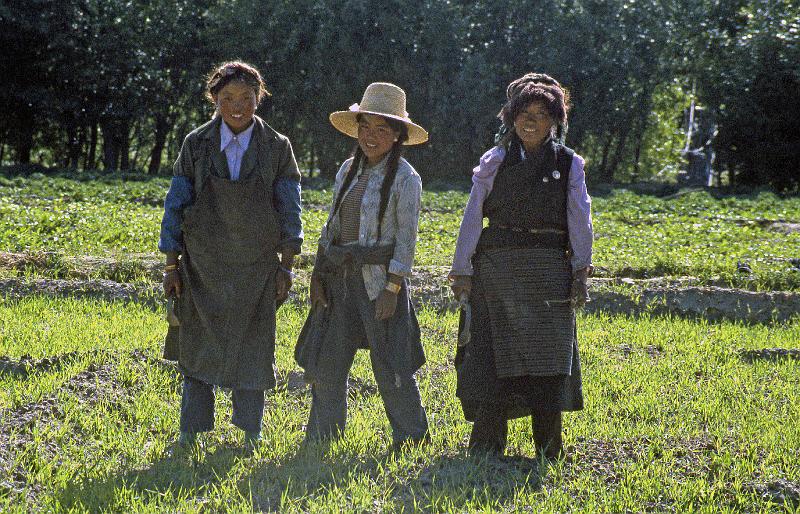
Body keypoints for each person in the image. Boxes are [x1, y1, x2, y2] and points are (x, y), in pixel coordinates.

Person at [158, 61, 303, 450]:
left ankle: (251, 435)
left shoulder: (277, 147)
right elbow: (176, 204)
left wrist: (286, 266)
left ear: (259, 99)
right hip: (202, 269)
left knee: (254, 350)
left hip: (256, 271)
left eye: (246, 98)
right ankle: (189, 435)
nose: (237, 107)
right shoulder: (196, 144)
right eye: (227, 99)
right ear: (215, 101)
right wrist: (171, 264)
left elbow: (290, 209)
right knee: (197, 349)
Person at [449, 73, 593, 459]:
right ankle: (486, 447)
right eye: (524, 112)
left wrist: (580, 270)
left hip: (549, 273)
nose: (531, 120)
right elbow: (472, 215)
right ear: (511, 118)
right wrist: (462, 269)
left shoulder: (570, 164)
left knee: (548, 362)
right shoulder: (495, 161)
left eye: (542, 113)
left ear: (555, 121)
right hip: (497, 273)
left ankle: (549, 448)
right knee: (494, 357)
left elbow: (580, 218)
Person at [295, 82, 429, 447]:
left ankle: (412, 437)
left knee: (391, 364)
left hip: (379, 283)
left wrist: (393, 288)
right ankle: (323, 438)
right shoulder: (347, 171)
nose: (371, 136)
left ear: (397, 135)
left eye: (381, 129)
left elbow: (407, 239)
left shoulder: (405, 178)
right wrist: (318, 274)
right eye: (365, 127)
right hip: (340, 279)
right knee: (327, 362)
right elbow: (332, 227)